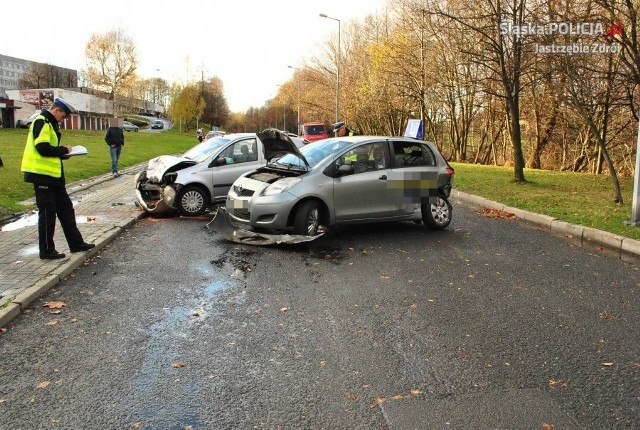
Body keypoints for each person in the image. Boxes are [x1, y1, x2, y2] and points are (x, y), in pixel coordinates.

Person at [20, 98, 95, 260]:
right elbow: (42, 148)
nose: (64, 119)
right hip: (41, 176)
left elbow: (50, 151)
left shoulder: (50, 123)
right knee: (48, 213)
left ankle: (76, 243)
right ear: (57, 110)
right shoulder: (42, 122)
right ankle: (46, 250)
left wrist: (63, 154)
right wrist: (63, 149)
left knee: (66, 209)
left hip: (53, 177)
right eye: (64, 116)